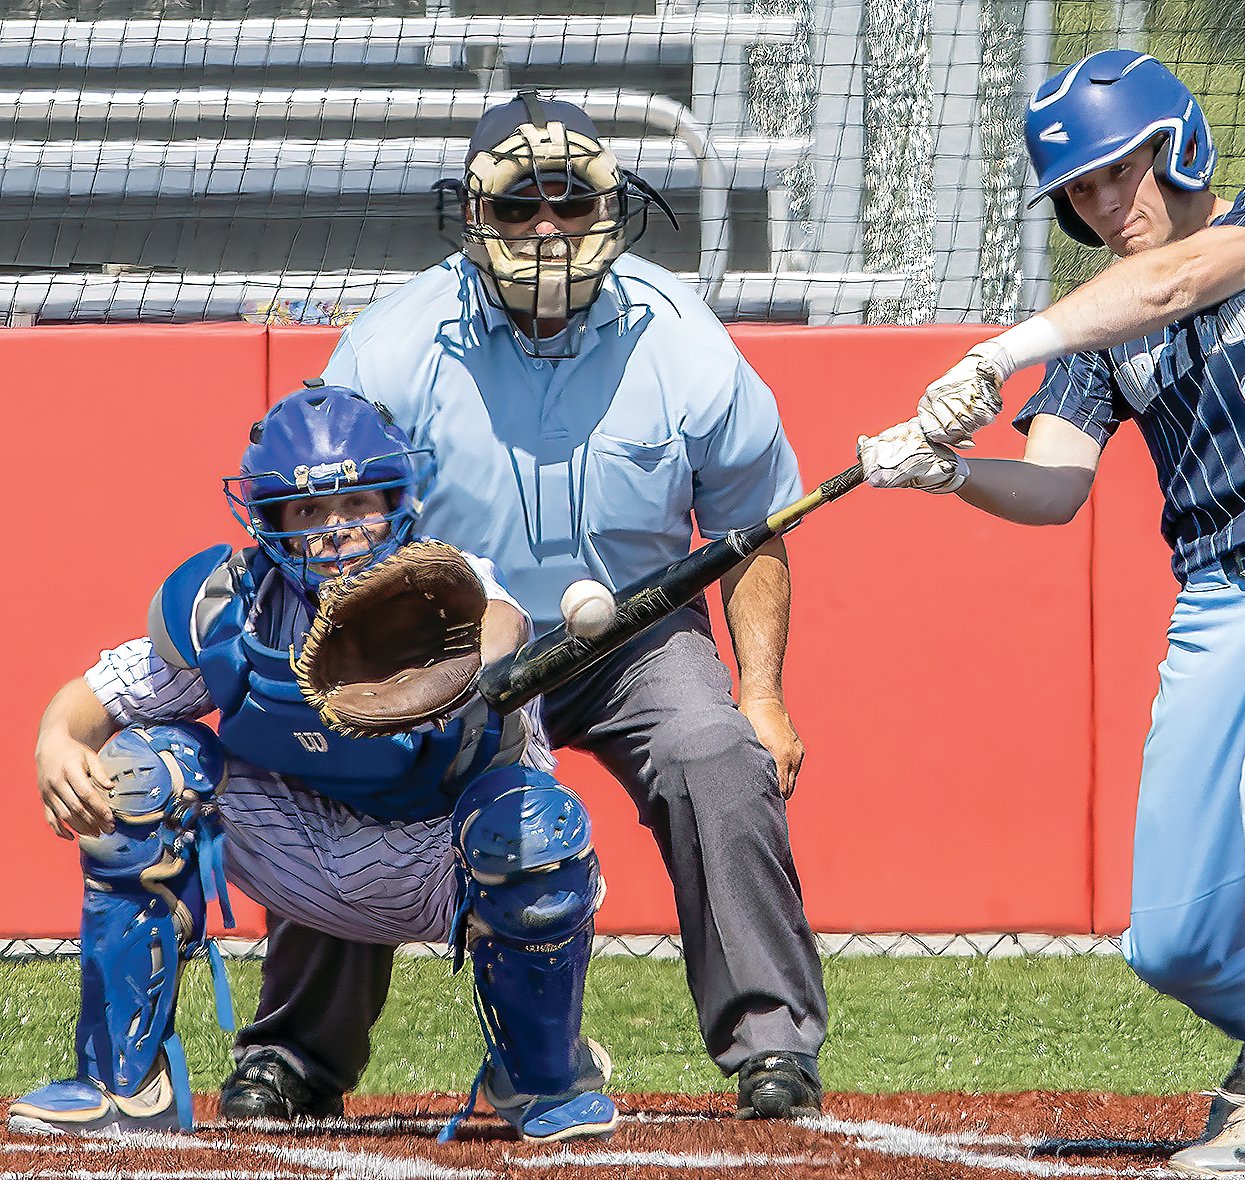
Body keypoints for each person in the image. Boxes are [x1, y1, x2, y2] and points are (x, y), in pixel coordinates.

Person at [857, 49, 1245, 1177]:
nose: (1102, 202)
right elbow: (1056, 484)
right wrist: (947, 473)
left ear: (1177, 146)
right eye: (1078, 189)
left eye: (1118, 170)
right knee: (1169, 938)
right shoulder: (1098, 324)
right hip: (1219, 598)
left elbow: (1176, 283)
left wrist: (1004, 345)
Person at [218, 90, 828, 1124]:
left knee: (716, 754)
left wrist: (762, 694)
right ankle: (298, 1052)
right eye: (518, 207)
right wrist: (378, 665)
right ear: (473, 214)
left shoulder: (686, 341)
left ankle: (773, 1046)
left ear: (610, 209)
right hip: (446, 640)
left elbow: (751, 528)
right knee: (350, 756)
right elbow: (325, 518)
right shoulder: (390, 344)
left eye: (571, 202)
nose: (547, 227)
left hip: (635, 637)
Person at [11, 386, 620, 1143]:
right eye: (308, 512)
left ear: (396, 501)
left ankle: (542, 1078)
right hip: (295, 852)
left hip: (438, 859)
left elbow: (499, 621)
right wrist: (57, 741)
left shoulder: (446, 587)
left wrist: (461, 668)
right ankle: (123, 1085)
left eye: (357, 503)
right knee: (142, 771)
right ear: (271, 521)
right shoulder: (239, 606)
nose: (337, 530)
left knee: (533, 823)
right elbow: (96, 696)